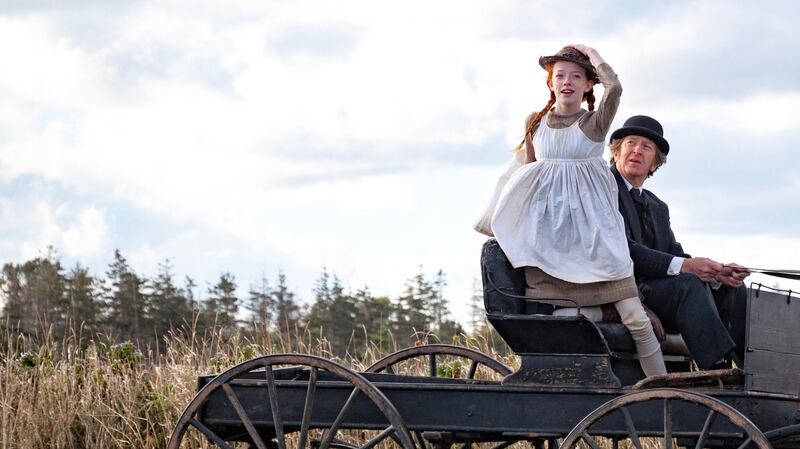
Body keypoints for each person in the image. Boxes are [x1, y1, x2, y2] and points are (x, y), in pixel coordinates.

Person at [476, 45, 667, 377]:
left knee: (636, 318)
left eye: (576, 76)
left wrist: (592, 54)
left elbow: (616, 89)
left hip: (595, 236)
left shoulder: (593, 123)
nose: (567, 82)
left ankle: (663, 390)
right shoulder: (535, 123)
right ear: (550, 83)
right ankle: (590, 326)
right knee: (556, 320)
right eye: (560, 75)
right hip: (553, 237)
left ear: (588, 85)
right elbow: (528, 176)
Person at [608, 115, 749, 369]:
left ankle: (748, 369)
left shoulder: (657, 206)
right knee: (687, 285)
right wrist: (688, 268)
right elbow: (624, 251)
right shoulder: (603, 191)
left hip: (662, 292)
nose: (637, 151)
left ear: (655, 164)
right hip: (628, 289)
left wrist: (717, 272)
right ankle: (717, 370)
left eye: (646, 147)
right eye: (631, 143)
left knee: (734, 289)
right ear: (617, 152)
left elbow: (675, 253)